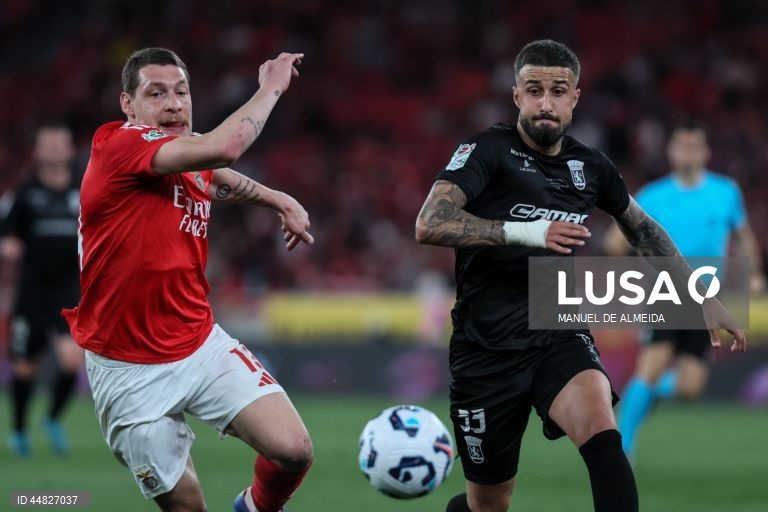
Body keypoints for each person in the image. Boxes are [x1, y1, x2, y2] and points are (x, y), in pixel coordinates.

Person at [415, 39, 746, 512]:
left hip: (556, 328)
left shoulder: (590, 167)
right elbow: (429, 223)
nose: (545, 102)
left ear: (575, 98)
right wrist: (527, 232)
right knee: (488, 503)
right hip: (485, 345)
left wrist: (701, 296)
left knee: (602, 435)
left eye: (557, 90)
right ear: (516, 97)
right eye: (534, 90)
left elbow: (644, 230)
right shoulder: (485, 151)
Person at [62, 47, 314, 512]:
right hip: (128, 369)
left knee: (294, 450)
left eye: (181, 91)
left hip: (198, 343)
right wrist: (271, 86)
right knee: (188, 507)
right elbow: (225, 148)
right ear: (128, 104)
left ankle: (253, 507)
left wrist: (276, 198)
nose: (174, 104)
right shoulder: (118, 145)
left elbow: (216, 175)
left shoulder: (184, 152)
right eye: (156, 94)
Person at [603, 121, 765, 460]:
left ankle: (642, 396)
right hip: (665, 291)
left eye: (695, 147)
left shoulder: (726, 192)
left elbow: (743, 236)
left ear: (706, 152)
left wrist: (753, 274)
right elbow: (615, 242)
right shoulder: (653, 194)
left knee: (691, 386)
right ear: (671, 152)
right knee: (652, 365)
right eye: (682, 147)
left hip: (707, 299)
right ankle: (622, 448)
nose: (688, 153)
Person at [0, 122, 83, 457]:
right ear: (37, 152)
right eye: (47, 144)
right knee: (25, 368)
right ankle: (19, 430)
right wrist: (8, 245)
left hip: (68, 292)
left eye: (59, 143)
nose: (53, 149)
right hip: (32, 293)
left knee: (71, 359)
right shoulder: (23, 194)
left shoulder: (82, 192)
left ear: (69, 149)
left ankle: (52, 419)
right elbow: (7, 232)